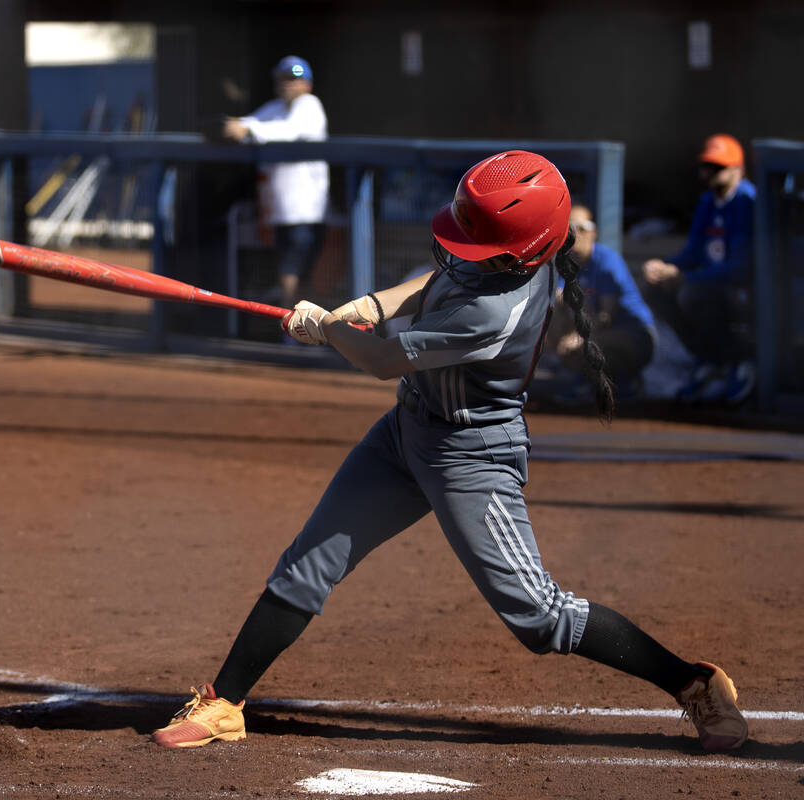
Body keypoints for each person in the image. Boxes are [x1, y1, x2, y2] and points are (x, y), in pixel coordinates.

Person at [151, 151, 747, 753]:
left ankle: (691, 683)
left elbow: (383, 360)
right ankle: (225, 700)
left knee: (540, 617)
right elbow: (442, 279)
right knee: (308, 563)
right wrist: (374, 305)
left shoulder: (496, 310)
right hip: (405, 433)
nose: (464, 246)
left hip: (470, 457)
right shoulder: (510, 253)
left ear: (523, 249)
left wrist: (326, 328)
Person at [641, 134, 757, 406]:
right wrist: (666, 267)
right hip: (706, 284)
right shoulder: (707, 202)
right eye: (707, 165)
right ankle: (708, 358)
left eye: (718, 167)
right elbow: (694, 251)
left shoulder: (746, 201)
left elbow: (740, 268)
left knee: (689, 294)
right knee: (654, 289)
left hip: (740, 289)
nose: (709, 172)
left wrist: (684, 278)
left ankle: (736, 359)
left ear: (737, 169)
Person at [223, 55, 329, 311]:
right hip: (283, 209)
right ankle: (300, 332)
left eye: (294, 78)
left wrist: (246, 130)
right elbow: (252, 123)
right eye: (283, 78)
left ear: (308, 83)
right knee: (294, 271)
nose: (288, 84)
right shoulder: (276, 108)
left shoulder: (310, 105)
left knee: (294, 272)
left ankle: (294, 330)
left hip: (308, 209)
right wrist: (233, 126)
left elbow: (289, 131)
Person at [549, 205, 656, 402]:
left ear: (594, 232)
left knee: (585, 343)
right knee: (553, 318)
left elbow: (606, 316)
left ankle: (625, 381)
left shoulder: (606, 261)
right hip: (599, 330)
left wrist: (577, 338)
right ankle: (587, 380)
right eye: (570, 227)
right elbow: (558, 299)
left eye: (583, 227)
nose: (576, 233)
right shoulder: (566, 262)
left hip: (635, 335)